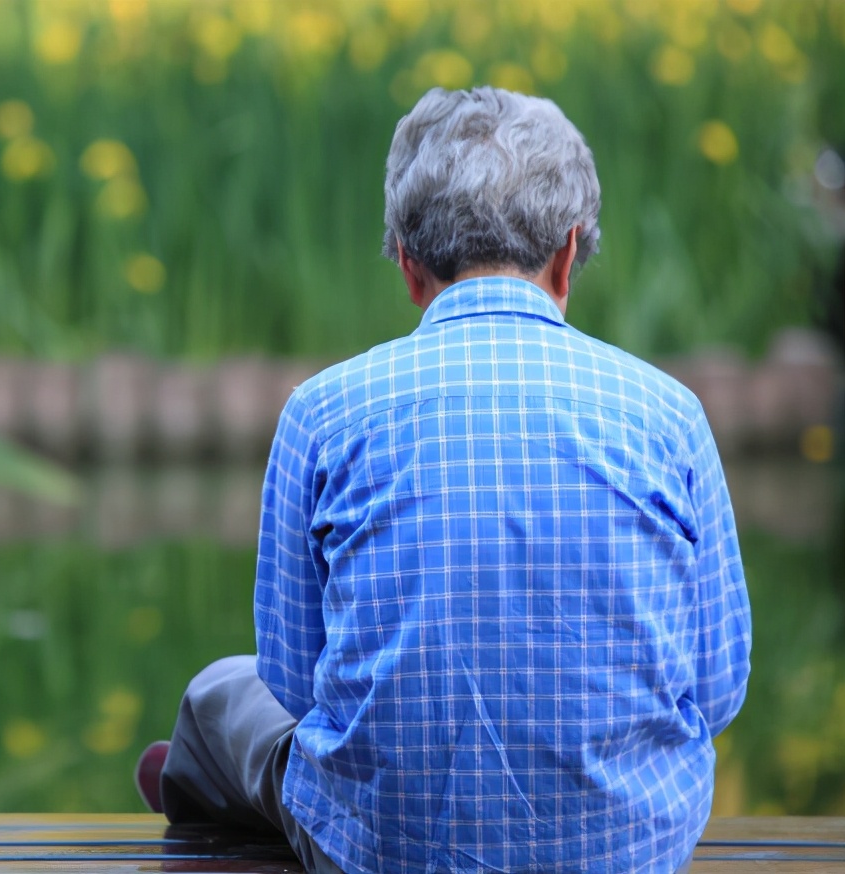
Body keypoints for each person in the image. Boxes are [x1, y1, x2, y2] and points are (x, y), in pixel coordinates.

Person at [135, 86, 752, 874]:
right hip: (627, 849)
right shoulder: (672, 415)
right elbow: (718, 685)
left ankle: (203, 797)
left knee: (224, 693)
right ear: (568, 255)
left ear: (408, 265)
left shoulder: (322, 412)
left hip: (381, 854)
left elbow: (293, 680)